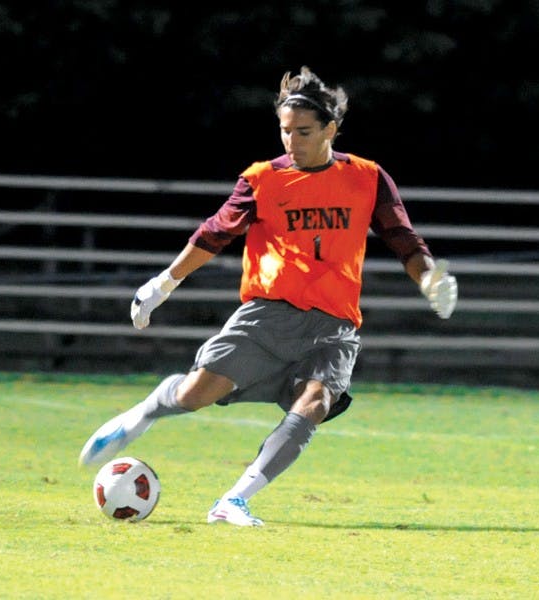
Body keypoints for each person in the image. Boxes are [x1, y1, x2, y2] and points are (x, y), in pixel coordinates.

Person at [79, 66, 458, 526]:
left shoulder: (368, 177)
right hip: (268, 314)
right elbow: (214, 234)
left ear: (330, 130)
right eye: (284, 131)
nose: (291, 141)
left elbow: (402, 237)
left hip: (335, 324)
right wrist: (162, 284)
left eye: (303, 131)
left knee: (315, 403)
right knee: (199, 393)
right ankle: (146, 412)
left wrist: (428, 278)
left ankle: (233, 500)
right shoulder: (262, 180)